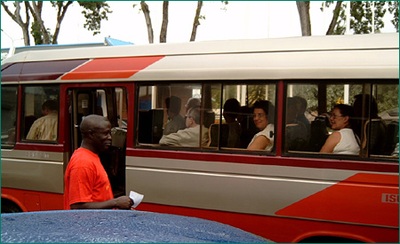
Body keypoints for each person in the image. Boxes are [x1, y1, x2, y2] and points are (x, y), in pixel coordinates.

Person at [64, 114, 133, 210]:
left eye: (110, 133)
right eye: (105, 134)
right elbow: (78, 207)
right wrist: (116, 202)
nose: (110, 138)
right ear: (91, 134)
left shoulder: (91, 157)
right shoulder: (82, 163)